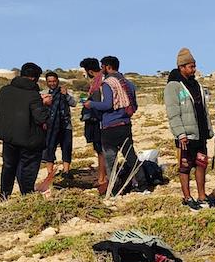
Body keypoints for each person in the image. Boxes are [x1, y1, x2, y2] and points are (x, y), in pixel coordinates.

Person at [0, 62, 51, 200]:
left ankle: (4, 196)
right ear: (34, 78)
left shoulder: (4, 90)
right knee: (27, 170)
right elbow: (41, 118)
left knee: (8, 167)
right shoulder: (33, 95)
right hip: (29, 139)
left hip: (8, 137)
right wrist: (45, 104)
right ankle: (27, 198)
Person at [165, 47, 212, 209]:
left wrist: (208, 129)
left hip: (200, 133)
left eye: (194, 66)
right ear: (182, 67)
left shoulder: (197, 85)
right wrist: (180, 133)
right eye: (191, 66)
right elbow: (173, 112)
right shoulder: (174, 86)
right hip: (186, 135)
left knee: (201, 164)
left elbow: (203, 108)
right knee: (185, 166)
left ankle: (201, 195)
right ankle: (187, 196)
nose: (194, 69)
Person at [86, 55, 141, 196]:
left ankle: (113, 189)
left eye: (102, 66)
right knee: (131, 156)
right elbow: (134, 104)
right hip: (125, 123)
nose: (101, 69)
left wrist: (90, 104)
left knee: (110, 160)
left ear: (107, 67)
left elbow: (107, 104)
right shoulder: (127, 83)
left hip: (110, 125)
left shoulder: (107, 83)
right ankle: (142, 184)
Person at [35, 71, 76, 192]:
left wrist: (66, 95)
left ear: (57, 81)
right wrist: (44, 101)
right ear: (46, 82)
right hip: (50, 126)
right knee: (49, 147)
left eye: (54, 81)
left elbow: (73, 103)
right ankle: (49, 172)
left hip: (65, 125)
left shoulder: (65, 91)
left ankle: (66, 171)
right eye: (49, 81)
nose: (52, 83)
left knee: (66, 147)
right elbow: (38, 108)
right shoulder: (43, 94)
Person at [79, 57, 108, 193]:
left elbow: (97, 103)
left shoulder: (99, 82)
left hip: (98, 121)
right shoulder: (102, 79)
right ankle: (102, 176)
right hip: (101, 120)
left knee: (101, 150)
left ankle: (102, 178)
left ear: (90, 71)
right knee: (102, 150)